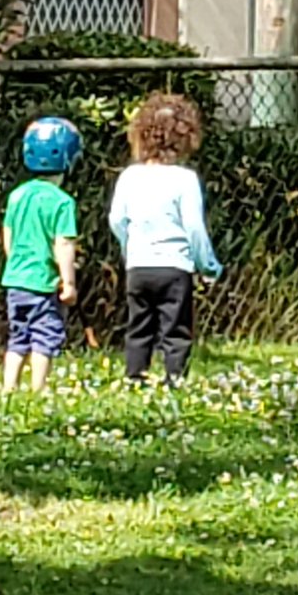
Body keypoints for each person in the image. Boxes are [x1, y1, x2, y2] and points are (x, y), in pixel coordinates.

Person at [109, 93, 222, 385]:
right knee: (176, 327)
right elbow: (194, 228)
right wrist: (207, 264)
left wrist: (129, 248)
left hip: (138, 265)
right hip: (175, 267)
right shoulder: (184, 179)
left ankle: (135, 375)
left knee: (139, 325)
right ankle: (174, 376)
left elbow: (116, 220)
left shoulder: (129, 177)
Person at [0, 116, 83, 393]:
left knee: (18, 336)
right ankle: (38, 388)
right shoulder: (62, 202)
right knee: (44, 335)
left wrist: (15, 263)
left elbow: (8, 237)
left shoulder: (17, 195)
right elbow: (63, 245)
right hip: (42, 282)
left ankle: (8, 387)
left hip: (15, 280)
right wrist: (68, 282)